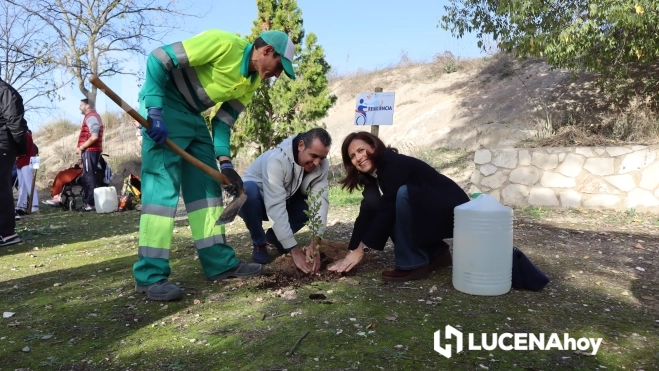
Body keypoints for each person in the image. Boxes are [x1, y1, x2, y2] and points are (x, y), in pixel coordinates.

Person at [133, 28, 297, 301]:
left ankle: (219, 264)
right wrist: (154, 110)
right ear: (267, 51)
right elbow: (159, 58)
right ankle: (150, 276)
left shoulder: (252, 81)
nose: (278, 75)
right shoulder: (224, 44)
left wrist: (226, 164)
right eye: (280, 66)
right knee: (162, 193)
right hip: (166, 105)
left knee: (208, 192)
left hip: (193, 115)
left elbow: (222, 121)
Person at [329, 131, 470, 282]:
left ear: (374, 147)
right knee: (386, 203)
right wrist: (351, 252)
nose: (358, 158)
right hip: (433, 212)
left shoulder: (392, 163)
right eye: (352, 156)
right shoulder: (373, 177)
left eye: (360, 150)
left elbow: (387, 209)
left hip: (454, 211)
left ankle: (413, 263)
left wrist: (363, 249)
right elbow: (367, 212)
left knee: (401, 196)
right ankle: (436, 252)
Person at [239, 128, 331, 273]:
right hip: (258, 202)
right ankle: (259, 243)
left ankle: (275, 237)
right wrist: (294, 251)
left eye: (322, 158)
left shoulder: (321, 165)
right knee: (247, 192)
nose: (317, 163)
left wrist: (316, 242)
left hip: (286, 199)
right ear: (301, 146)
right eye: (313, 156)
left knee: (311, 202)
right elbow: (275, 206)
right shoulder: (276, 160)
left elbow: (320, 201)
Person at [0, 65, 28, 247]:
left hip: (2, 144)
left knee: (1, 188)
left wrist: (21, 148)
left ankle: (7, 232)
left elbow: (16, 122)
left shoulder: (5, 92)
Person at [76, 98, 104, 212]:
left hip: (91, 150)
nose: (79, 107)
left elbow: (94, 136)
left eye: (81, 105)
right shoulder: (91, 117)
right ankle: (89, 202)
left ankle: (90, 203)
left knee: (89, 176)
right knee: (88, 175)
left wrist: (82, 147)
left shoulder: (91, 117)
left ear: (87, 106)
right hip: (90, 151)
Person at [15, 129, 39, 214]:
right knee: (22, 185)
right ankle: (21, 206)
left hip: (27, 162)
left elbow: (24, 150)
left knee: (29, 184)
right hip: (20, 163)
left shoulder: (25, 134)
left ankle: (35, 205)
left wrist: (16, 155)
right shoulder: (19, 134)